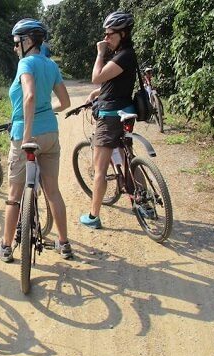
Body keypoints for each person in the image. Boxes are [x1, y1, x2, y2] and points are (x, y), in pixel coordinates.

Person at [0, 18, 72, 263]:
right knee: (53, 191)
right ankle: (64, 243)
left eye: (17, 42)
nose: (15, 48)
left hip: (26, 136)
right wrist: (46, 112)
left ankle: (6, 246)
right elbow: (65, 102)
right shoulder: (50, 65)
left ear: (27, 41)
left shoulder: (26, 63)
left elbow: (29, 96)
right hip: (50, 133)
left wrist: (27, 134)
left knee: (14, 194)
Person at [80, 11, 137, 229]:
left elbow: (97, 77)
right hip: (123, 112)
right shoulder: (126, 54)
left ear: (122, 33)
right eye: (105, 35)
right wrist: (96, 95)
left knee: (100, 170)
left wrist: (100, 54)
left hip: (111, 116)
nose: (106, 39)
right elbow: (114, 84)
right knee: (128, 159)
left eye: (109, 34)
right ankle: (142, 200)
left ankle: (93, 216)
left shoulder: (122, 55)